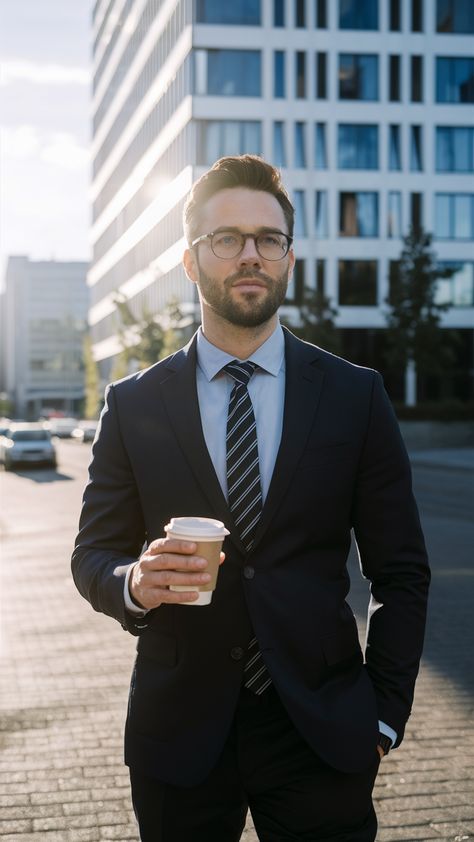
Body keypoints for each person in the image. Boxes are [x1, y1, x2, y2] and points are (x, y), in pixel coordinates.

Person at [72, 155, 430, 842]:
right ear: (189, 260)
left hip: (321, 731)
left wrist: (382, 717)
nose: (250, 256)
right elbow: (93, 554)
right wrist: (136, 583)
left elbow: (403, 574)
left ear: (289, 259)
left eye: (269, 240)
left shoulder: (356, 397)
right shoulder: (133, 403)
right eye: (227, 238)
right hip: (178, 736)